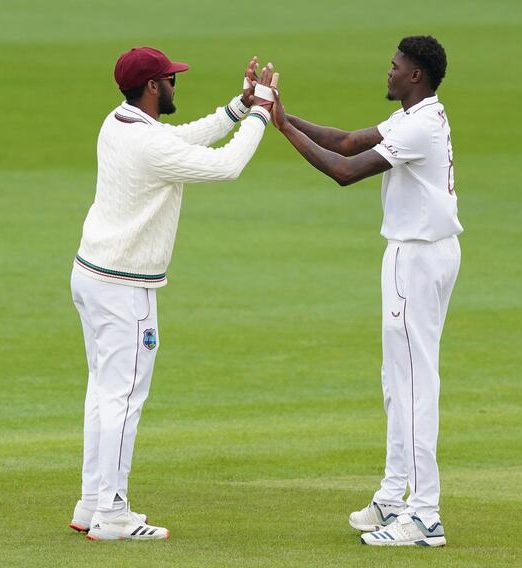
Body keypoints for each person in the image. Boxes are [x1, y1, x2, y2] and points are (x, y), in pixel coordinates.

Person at [68, 46, 276, 541]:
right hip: (124, 288)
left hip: (92, 276)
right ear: (154, 87)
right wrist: (263, 115)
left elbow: (177, 139)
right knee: (123, 397)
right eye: (170, 80)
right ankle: (113, 513)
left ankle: (92, 502)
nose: (175, 85)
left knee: (102, 393)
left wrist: (239, 107)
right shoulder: (148, 145)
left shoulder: (118, 122)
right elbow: (226, 167)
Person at [270, 35, 462, 547]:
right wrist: (283, 115)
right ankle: (396, 495)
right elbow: (349, 141)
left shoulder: (419, 124)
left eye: (396, 66)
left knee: (415, 384)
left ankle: (424, 516)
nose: (389, 71)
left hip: (417, 256)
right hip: (422, 253)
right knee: (396, 379)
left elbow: (344, 171)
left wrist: (284, 127)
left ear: (415, 75)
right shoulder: (417, 114)